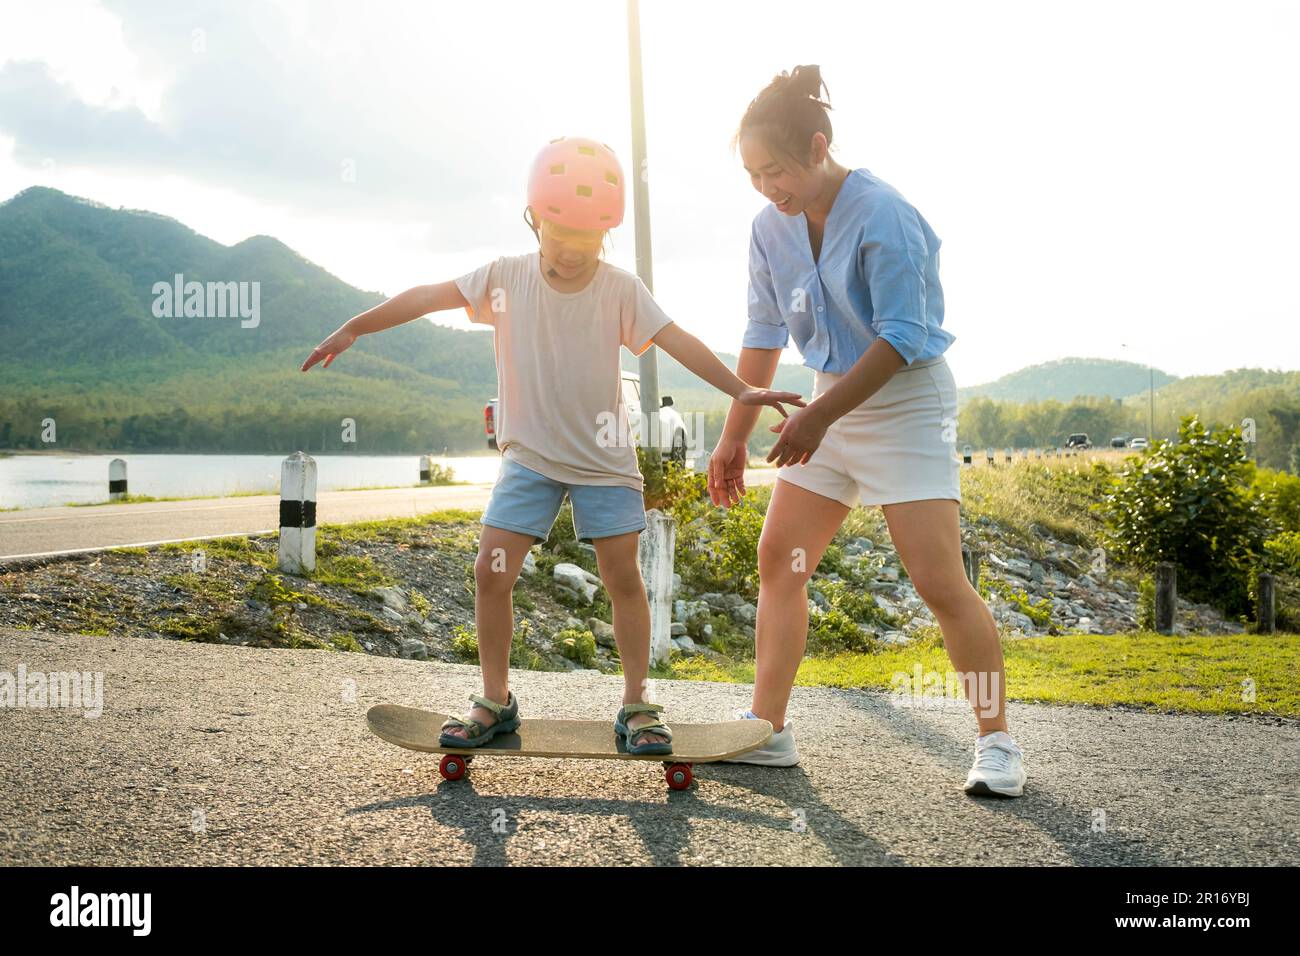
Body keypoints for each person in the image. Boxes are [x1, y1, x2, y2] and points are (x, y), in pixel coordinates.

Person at [302, 136, 804, 757]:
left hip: (605, 463)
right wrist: (355, 326)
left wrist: (742, 388)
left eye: (589, 243)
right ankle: (494, 700)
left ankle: (638, 704)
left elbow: (678, 339)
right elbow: (426, 297)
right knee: (492, 571)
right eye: (561, 237)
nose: (574, 254)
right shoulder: (503, 277)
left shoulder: (619, 289)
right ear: (535, 219)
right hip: (530, 460)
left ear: (607, 236)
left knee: (623, 580)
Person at [710, 67, 1026, 797]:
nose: (766, 187)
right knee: (779, 560)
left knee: (937, 578)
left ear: (819, 146)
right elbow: (761, 337)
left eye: (776, 170)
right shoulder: (768, 229)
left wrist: (821, 417)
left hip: (903, 397)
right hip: (826, 399)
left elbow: (901, 337)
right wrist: (734, 433)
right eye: (753, 174)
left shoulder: (885, 214)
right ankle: (768, 728)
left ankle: (998, 742)